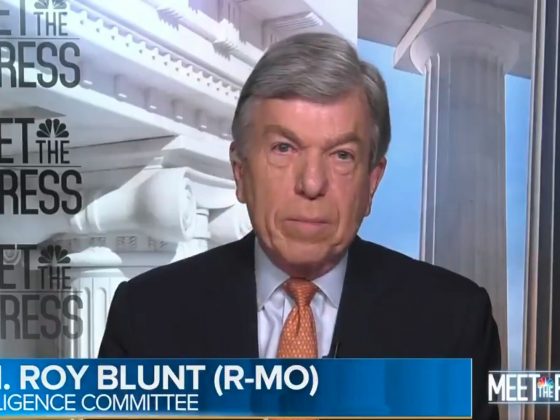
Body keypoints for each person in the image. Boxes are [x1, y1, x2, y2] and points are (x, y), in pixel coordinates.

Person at [99, 32, 500, 419]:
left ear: (371, 183)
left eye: (341, 155)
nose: (311, 183)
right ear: (241, 173)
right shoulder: (145, 315)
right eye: (284, 148)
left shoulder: (455, 322)